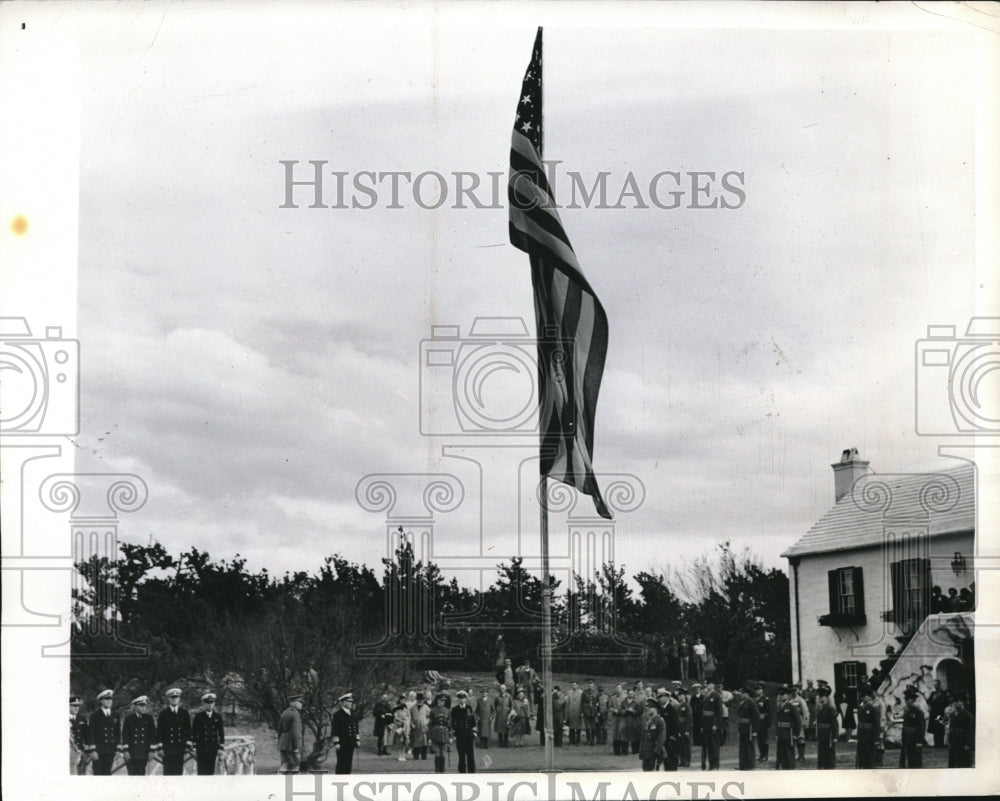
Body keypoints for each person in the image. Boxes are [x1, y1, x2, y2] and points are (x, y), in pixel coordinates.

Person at [156, 687, 191, 776]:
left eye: (176, 697)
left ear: (179, 698)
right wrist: (160, 748)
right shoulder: (163, 714)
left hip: (180, 748)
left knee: (178, 773)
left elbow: (189, 730)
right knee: (167, 773)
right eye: (172, 697)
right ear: (168, 699)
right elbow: (159, 732)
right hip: (167, 749)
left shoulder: (184, 713)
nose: (174, 699)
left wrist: (188, 745)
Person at [121, 695, 157, 776]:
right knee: (132, 775)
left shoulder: (149, 719)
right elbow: (125, 735)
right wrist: (126, 751)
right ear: (135, 706)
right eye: (141, 706)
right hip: (132, 753)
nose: (144, 708)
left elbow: (152, 735)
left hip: (144, 752)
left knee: (141, 775)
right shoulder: (129, 719)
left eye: (145, 706)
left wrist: (151, 751)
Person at [87, 689, 121, 776]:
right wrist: (93, 750)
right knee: (98, 774)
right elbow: (91, 733)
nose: (109, 701)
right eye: (106, 699)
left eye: (110, 699)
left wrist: (117, 748)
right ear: (101, 701)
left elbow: (118, 733)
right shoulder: (95, 715)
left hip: (110, 750)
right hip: (98, 751)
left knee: (107, 773)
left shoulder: (115, 715)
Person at [191, 691, 224, 775]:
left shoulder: (217, 717)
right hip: (201, 748)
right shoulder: (198, 717)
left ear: (214, 704)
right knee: (201, 772)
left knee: (211, 771)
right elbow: (194, 733)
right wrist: (194, 747)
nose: (210, 705)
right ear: (204, 704)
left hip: (213, 747)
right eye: (208, 703)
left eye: (211, 702)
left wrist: (221, 747)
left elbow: (221, 733)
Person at [774, 686, 801, 770]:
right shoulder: (779, 707)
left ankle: (790, 769)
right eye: (780, 694)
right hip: (781, 734)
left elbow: (798, 721)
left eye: (783, 694)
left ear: (788, 696)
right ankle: (783, 767)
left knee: (789, 753)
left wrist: (796, 734)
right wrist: (777, 734)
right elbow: (777, 723)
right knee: (781, 752)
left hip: (789, 733)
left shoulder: (791, 707)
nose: (781, 696)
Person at [332, 692, 360, 774]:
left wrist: (357, 740)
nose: (351, 703)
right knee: (341, 763)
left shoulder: (352, 714)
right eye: (349, 701)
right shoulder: (338, 715)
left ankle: (347, 779)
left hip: (351, 742)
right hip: (342, 743)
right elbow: (335, 730)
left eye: (351, 701)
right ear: (343, 703)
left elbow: (356, 728)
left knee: (348, 763)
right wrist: (336, 742)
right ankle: (339, 780)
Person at [450, 690, 478, 773]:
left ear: (465, 699)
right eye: (460, 698)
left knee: (470, 755)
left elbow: (473, 721)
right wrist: (454, 734)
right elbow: (453, 723)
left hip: (469, 735)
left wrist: (474, 732)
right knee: (461, 756)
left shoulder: (469, 708)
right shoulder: (455, 709)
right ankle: (462, 772)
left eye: (463, 698)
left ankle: (471, 772)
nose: (462, 700)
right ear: (458, 700)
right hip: (460, 735)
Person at [854, 687, 882, 769]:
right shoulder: (861, 708)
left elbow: (876, 725)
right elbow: (859, 723)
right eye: (861, 697)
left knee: (869, 758)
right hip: (862, 736)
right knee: (862, 757)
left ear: (869, 697)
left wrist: (876, 739)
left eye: (865, 696)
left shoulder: (872, 709)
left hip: (870, 737)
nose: (863, 698)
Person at [898, 688, 925, 768]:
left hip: (915, 738)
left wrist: (920, 741)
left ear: (913, 700)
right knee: (909, 759)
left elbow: (921, 727)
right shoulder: (906, 711)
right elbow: (905, 726)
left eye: (908, 699)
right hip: (907, 738)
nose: (906, 701)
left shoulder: (918, 712)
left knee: (916, 760)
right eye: (905, 699)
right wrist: (903, 738)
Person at [700, 679, 724, 770]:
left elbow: (719, 712)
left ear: (713, 685)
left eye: (709, 684)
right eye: (706, 684)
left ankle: (715, 765)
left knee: (714, 746)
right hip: (706, 723)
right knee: (708, 746)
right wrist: (702, 725)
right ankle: (710, 764)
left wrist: (716, 724)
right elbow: (703, 712)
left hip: (712, 723)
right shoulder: (706, 696)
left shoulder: (716, 696)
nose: (707, 685)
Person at [277, 694, 304, 773]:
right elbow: (295, 731)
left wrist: (280, 741)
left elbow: (279, 729)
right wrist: (296, 746)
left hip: (284, 741)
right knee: (295, 764)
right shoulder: (295, 714)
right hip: (291, 743)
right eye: (299, 702)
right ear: (293, 703)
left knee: (284, 764)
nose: (301, 704)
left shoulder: (285, 712)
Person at [814, 684, 839, 769]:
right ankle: (822, 765)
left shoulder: (829, 708)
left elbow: (834, 723)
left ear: (826, 698)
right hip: (822, 734)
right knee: (821, 752)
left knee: (829, 753)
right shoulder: (819, 709)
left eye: (823, 696)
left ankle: (830, 767)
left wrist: (835, 736)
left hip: (829, 734)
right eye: (820, 696)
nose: (821, 698)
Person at [735, 688, 759, 771]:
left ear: (747, 694)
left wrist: (755, 730)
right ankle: (743, 765)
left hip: (749, 728)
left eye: (743, 693)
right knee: (743, 747)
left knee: (749, 747)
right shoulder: (743, 702)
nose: (741, 694)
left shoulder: (751, 703)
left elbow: (756, 717)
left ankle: (750, 765)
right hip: (743, 727)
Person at [946, 694, 974, 767]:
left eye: (957, 701)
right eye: (953, 702)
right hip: (953, 742)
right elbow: (950, 728)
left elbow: (970, 731)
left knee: (963, 763)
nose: (954, 703)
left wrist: (968, 744)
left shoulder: (968, 715)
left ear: (962, 702)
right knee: (953, 763)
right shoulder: (952, 714)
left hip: (963, 742)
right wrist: (949, 741)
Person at [638, 698, 666, 772]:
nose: (647, 709)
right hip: (646, 750)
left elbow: (662, 737)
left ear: (655, 709)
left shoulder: (660, 720)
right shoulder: (648, 721)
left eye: (650, 707)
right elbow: (643, 737)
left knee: (653, 772)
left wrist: (657, 750)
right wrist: (641, 750)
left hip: (654, 749)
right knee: (645, 770)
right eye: (647, 707)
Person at [655, 687, 679, 771]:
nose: (660, 699)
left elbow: (675, 725)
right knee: (666, 758)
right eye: (659, 698)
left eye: (661, 697)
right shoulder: (662, 709)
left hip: (670, 738)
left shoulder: (671, 709)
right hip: (664, 737)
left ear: (666, 697)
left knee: (671, 757)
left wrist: (672, 736)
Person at [70, 696, 90, 775]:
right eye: (74, 706)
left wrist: (87, 746)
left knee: (81, 773)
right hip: (69, 751)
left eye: (78, 706)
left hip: (81, 751)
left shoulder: (82, 719)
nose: (76, 708)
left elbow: (86, 734)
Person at [927, 680, 950, 748]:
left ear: (939, 685)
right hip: (934, 713)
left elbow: (945, 702)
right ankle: (936, 743)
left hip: (940, 713)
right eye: (934, 685)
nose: (935, 686)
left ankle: (941, 743)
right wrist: (931, 706)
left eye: (936, 684)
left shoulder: (943, 693)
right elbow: (928, 701)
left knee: (940, 728)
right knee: (935, 729)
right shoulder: (933, 693)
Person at [790, 685, 809, 762]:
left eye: (795, 690)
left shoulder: (801, 700)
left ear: (797, 691)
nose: (793, 692)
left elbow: (805, 712)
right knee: (793, 738)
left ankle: (802, 756)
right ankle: (795, 755)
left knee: (800, 738)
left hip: (799, 721)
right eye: (792, 691)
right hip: (792, 722)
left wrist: (805, 722)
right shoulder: (790, 701)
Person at [754, 685, 772, 763]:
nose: (757, 691)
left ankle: (765, 755)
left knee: (764, 739)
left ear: (762, 690)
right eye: (756, 689)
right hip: (758, 722)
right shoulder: (755, 699)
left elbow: (769, 711)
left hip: (764, 722)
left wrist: (768, 722)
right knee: (759, 739)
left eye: (758, 689)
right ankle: (761, 754)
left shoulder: (766, 699)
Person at [676, 687, 693, 768]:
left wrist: (687, 730)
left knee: (686, 745)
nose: (680, 697)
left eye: (681, 695)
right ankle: (682, 761)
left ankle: (687, 761)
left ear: (684, 696)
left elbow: (689, 719)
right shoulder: (679, 706)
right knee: (680, 745)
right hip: (680, 728)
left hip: (685, 727)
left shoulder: (687, 706)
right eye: (679, 695)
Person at [411, 693, 431, 760]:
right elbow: (410, 717)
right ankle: (415, 756)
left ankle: (424, 756)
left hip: (424, 726)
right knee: (415, 742)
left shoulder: (426, 707)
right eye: (418, 699)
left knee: (424, 742)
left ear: (423, 700)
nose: (420, 701)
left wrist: (426, 723)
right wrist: (411, 724)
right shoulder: (413, 707)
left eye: (421, 699)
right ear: (416, 699)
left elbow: (429, 717)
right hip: (415, 727)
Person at [622, 688, 642, 755]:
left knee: (635, 736)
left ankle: (635, 750)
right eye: (629, 693)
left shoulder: (636, 702)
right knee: (625, 736)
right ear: (627, 694)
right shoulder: (623, 702)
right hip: (625, 720)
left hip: (634, 720)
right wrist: (625, 711)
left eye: (631, 693)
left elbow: (639, 711)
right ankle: (625, 751)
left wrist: (633, 711)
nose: (630, 694)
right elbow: (620, 710)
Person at [390, 695, 410, 762]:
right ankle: (399, 755)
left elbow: (409, 716)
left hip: (405, 726)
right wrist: (399, 721)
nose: (403, 701)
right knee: (399, 741)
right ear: (400, 700)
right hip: (398, 726)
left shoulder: (406, 708)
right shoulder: (396, 708)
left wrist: (406, 721)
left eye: (404, 700)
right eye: (402, 700)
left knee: (404, 741)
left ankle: (403, 755)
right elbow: (395, 717)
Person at [581, 679, 600, 745]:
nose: (590, 686)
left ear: (593, 685)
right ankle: (588, 740)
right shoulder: (584, 692)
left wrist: (598, 711)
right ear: (587, 685)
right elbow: (582, 702)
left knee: (593, 727)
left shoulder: (596, 693)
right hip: (586, 711)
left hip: (593, 711)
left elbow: (598, 703)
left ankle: (593, 740)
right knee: (587, 727)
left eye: (591, 684)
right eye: (589, 684)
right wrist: (582, 712)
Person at [610, 684, 627, 755]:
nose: (618, 690)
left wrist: (620, 711)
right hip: (615, 718)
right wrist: (613, 710)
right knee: (616, 734)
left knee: (623, 734)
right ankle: (616, 751)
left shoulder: (625, 697)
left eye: (619, 688)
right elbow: (610, 707)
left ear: (622, 689)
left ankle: (624, 751)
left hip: (623, 718)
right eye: (617, 688)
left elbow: (627, 707)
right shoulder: (612, 698)